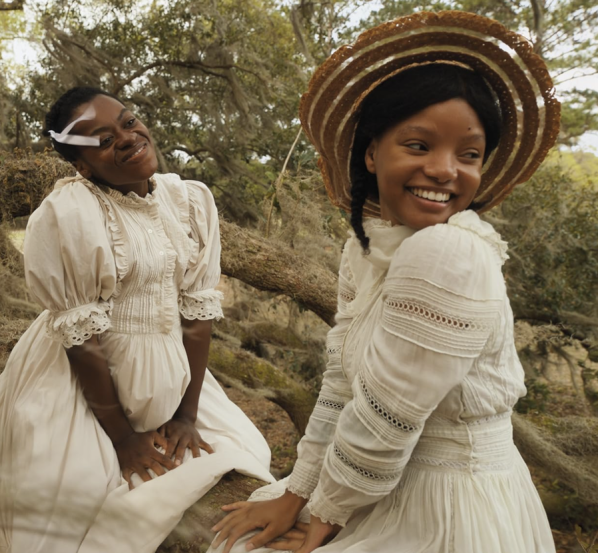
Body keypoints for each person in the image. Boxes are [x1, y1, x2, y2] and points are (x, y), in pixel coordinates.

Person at [208, 11, 561, 553]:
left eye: (468, 155)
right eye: (419, 146)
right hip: (375, 484)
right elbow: (344, 382)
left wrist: (324, 514)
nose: (446, 170)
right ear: (372, 153)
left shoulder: (450, 251)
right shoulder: (366, 248)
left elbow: (389, 416)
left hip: (446, 505)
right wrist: (299, 490)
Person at [0, 86, 273, 553]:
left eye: (128, 122)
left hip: (171, 368)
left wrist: (187, 413)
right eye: (102, 139)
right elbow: (82, 340)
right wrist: (122, 438)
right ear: (82, 165)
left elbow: (196, 313)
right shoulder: (71, 213)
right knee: (74, 509)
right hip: (86, 382)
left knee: (243, 452)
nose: (127, 137)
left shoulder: (187, 202)